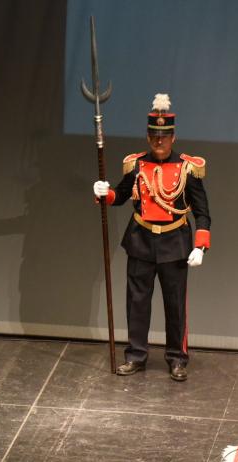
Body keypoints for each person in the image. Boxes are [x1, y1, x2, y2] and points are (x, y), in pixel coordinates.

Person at [93, 93, 211, 382]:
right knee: (137, 303)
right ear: (148, 137)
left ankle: (177, 358)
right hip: (141, 241)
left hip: (175, 244)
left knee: (175, 306)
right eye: (155, 136)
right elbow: (120, 195)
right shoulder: (135, 166)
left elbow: (203, 212)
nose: (160, 141)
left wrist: (200, 246)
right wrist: (104, 193)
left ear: (173, 137)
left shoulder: (188, 168)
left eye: (165, 136)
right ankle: (135, 355)